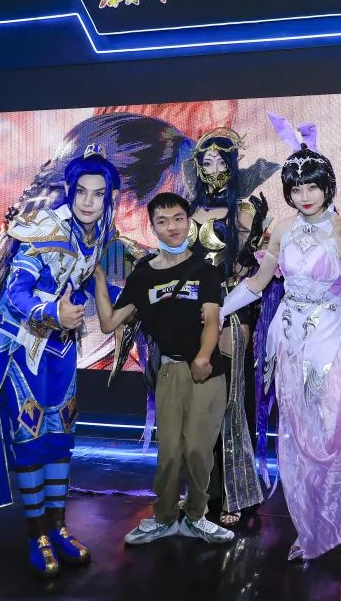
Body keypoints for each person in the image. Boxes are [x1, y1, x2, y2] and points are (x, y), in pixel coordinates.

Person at [219, 144, 341, 597]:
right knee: (296, 440)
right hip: (290, 345)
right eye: (297, 188)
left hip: (330, 344)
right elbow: (257, 283)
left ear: (328, 188)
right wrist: (215, 310)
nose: (304, 196)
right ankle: (310, 531)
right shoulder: (282, 230)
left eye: (312, 187)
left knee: (335, 442)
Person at [0, 144, 120, 576]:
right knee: (30, 438)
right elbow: (16, 292)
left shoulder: (99, 233)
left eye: (98, 194)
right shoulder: (45, 228)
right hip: (24, 348)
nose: (89, 202)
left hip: (61, 350)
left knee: (60, 436)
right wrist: (52, 312)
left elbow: (84, 285)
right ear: (70, 191)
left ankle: (58, 525)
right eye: (82, 192)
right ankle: (36, 531)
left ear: (108, 197)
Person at [92, 192, 235, 546]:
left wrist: (203, 356)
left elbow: (212, 319)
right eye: (162, 221)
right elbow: (109, 322)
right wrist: (97, 276)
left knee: (199, 451)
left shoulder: (205, 270)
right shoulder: (143, 275)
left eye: (178, 219)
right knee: (169, 453)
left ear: (188, 222)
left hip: (206, 373)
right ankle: (164, 518)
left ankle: (197, 516)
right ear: (153, 227)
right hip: (169, 373)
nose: (172, 227)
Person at [185, 128, 268, 526]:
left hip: (232, 315)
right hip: (191, 316)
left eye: (221, 160)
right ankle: (202, 490)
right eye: (207, 161)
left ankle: (236, 491)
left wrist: (243, 320)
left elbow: (252, 274)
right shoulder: (186, 212)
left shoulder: (245, 212)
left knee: (231, 402)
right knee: (195, 405)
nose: (214, 167)